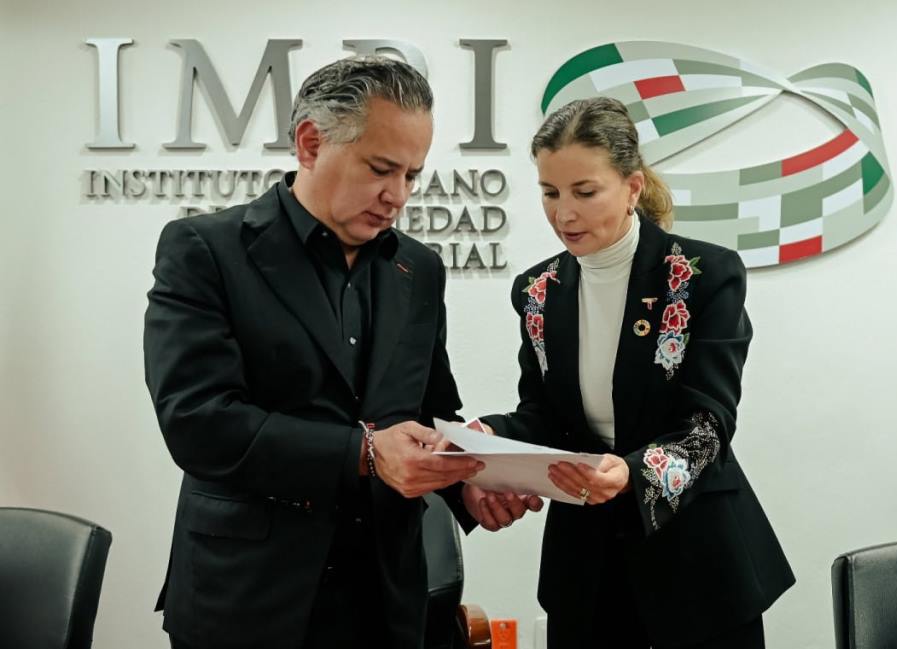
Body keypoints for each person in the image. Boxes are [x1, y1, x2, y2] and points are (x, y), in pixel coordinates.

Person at [143, 56, 541, 649]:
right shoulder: (205, 249)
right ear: (310, 143)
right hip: (248, 599)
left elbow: (430, 414)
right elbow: (197, 422)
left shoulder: (420, 268)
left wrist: (464, 481)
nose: (397, 196)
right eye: (381, 169)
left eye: (412, 175)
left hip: (387, 601)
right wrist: (365, 453)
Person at [480, 97, 795, 649]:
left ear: (631, 187)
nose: (564, 214)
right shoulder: (536, 291)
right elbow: (546, 416)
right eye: (550, 193)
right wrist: (488, 438)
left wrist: (630, 473)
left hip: (698, 563)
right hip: (587, 569)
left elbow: (708, 427)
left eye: (584, 192)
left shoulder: (701, 276)